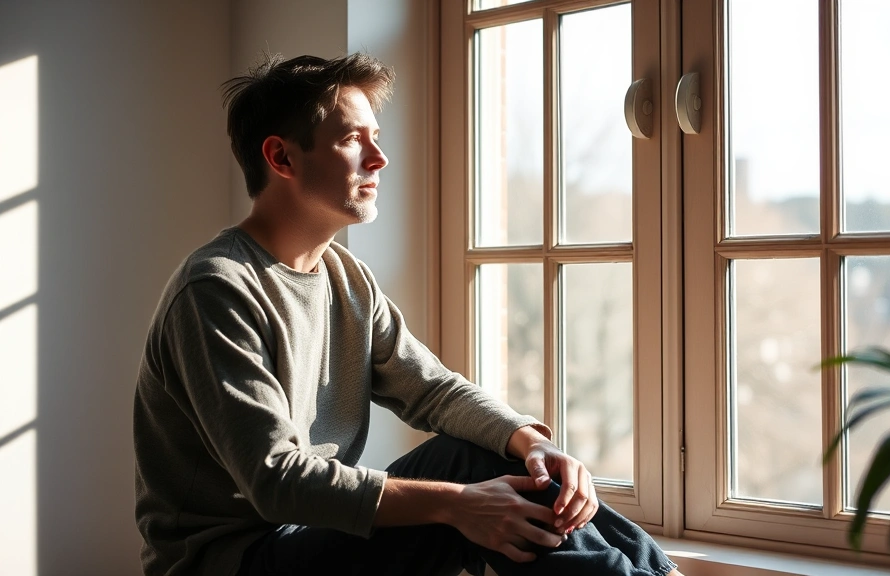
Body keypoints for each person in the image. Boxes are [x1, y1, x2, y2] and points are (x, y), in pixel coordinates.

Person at [133, 52, 680, 576]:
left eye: (377, 137)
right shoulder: (215, 290)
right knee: (462, 477)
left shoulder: (346, 278)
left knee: (490, 455)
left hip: (315, 537)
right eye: (352, 139)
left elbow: (434, 391)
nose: (379, 158)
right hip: (240, 562)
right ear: (281, 158)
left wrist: (532, 442)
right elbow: (277, 480)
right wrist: (458, 504)